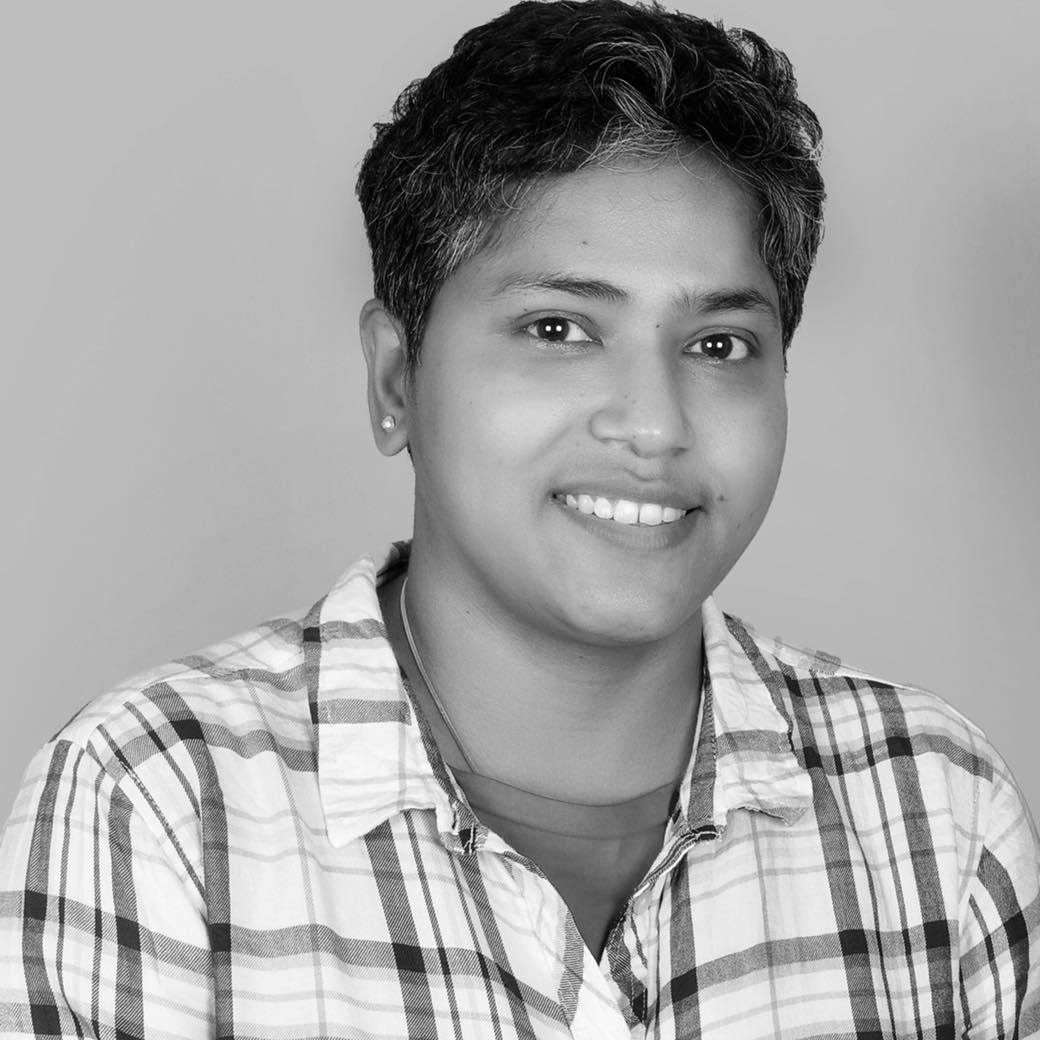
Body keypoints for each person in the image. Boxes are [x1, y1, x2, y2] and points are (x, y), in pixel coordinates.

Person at [1, 0, 1037, 1036]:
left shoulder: (932, 810)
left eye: (718, 344)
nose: (652, 424)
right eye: (557, 328)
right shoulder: (155, 803)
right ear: (396, 379)